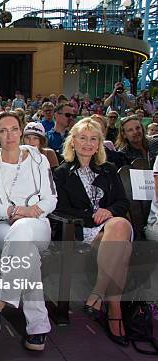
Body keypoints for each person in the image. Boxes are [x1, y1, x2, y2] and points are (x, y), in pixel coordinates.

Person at [0, 112, 57, 351]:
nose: (9, 135)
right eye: (3, 130)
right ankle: (38, 327)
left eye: (13, 129)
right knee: (26, 251)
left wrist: (31, 212)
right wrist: (13, 211)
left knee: (23, 233)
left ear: (21, 131)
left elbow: (51, 198)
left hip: (37, 222)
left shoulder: (37, 158)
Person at [53, 118, 132, 346]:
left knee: (119, 225)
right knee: (123, 247)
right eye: (83, 138)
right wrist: (91, 217)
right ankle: (113, 308)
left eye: (93, 139)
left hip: (111, 226)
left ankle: (97, 293)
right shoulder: (61, 173)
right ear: (73, 142)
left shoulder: (107, 170)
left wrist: (107, 211)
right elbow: (60, 209)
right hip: (84, 231)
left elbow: (122, 202)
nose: (88, 143)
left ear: (99, 144)